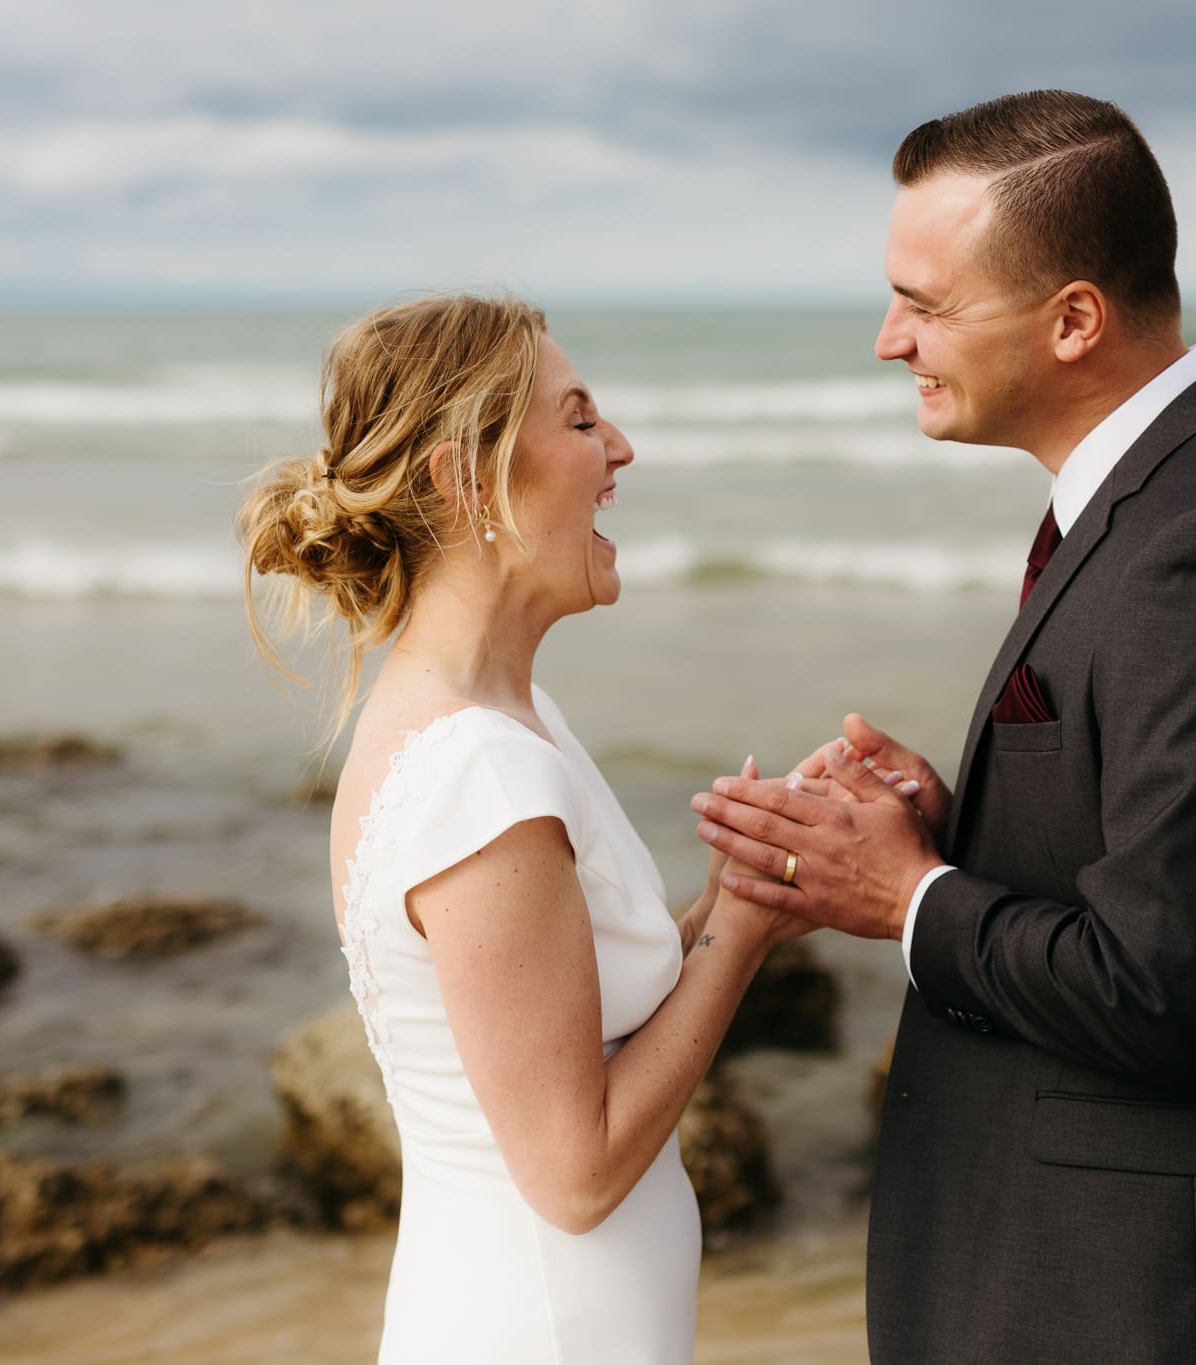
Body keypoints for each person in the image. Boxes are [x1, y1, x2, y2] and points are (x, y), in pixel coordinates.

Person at [691, 91, 1196, 1363]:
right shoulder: (1158, 506)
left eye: (925, 306)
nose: (889, 342)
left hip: (1182, 1305)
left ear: (1073, 320)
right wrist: (955, 834)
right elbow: (1162, 867)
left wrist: (908, 898)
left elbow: (1164, 993)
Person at [239, 295, 797, 1364]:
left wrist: (742, 888)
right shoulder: (478, 770)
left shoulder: (491, 722)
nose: (620, 448)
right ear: (464, 476)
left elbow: (564, 1019)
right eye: (581, 421)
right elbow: (574, 1173)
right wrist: (742, 933)